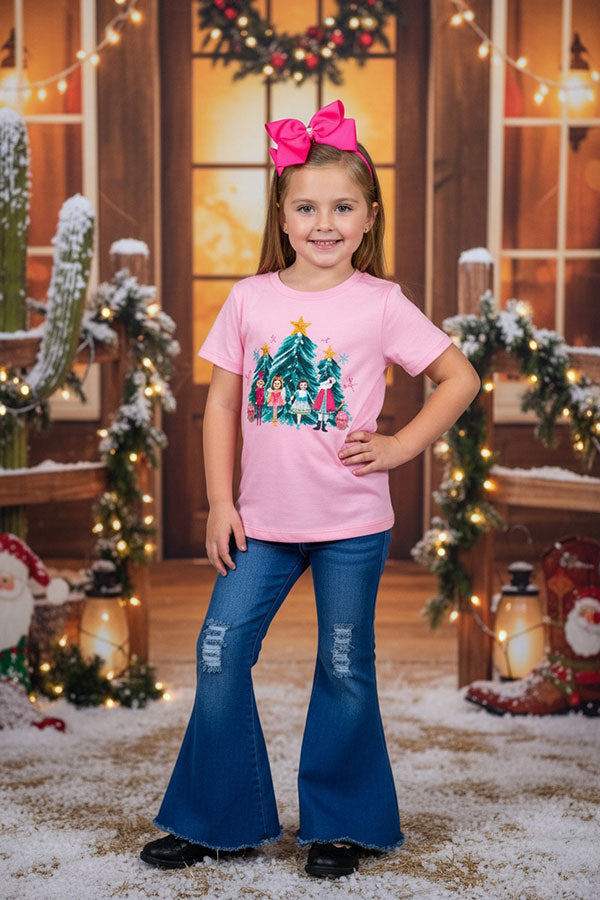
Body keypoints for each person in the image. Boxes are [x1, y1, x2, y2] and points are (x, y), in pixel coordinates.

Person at [140, 99, 480, 879]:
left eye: (342, 208)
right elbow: (220, 404)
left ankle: (340, 825)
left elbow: (458, 377)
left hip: (351, 525)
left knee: (344, 664)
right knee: (219, 650)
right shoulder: (251, 299)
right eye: (307, 208)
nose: (324, 223)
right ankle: (217, 819)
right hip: (260, 522)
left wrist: (400, 445)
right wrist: (221, 502)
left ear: (368, 217)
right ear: (283, 216)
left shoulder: (381, 303)